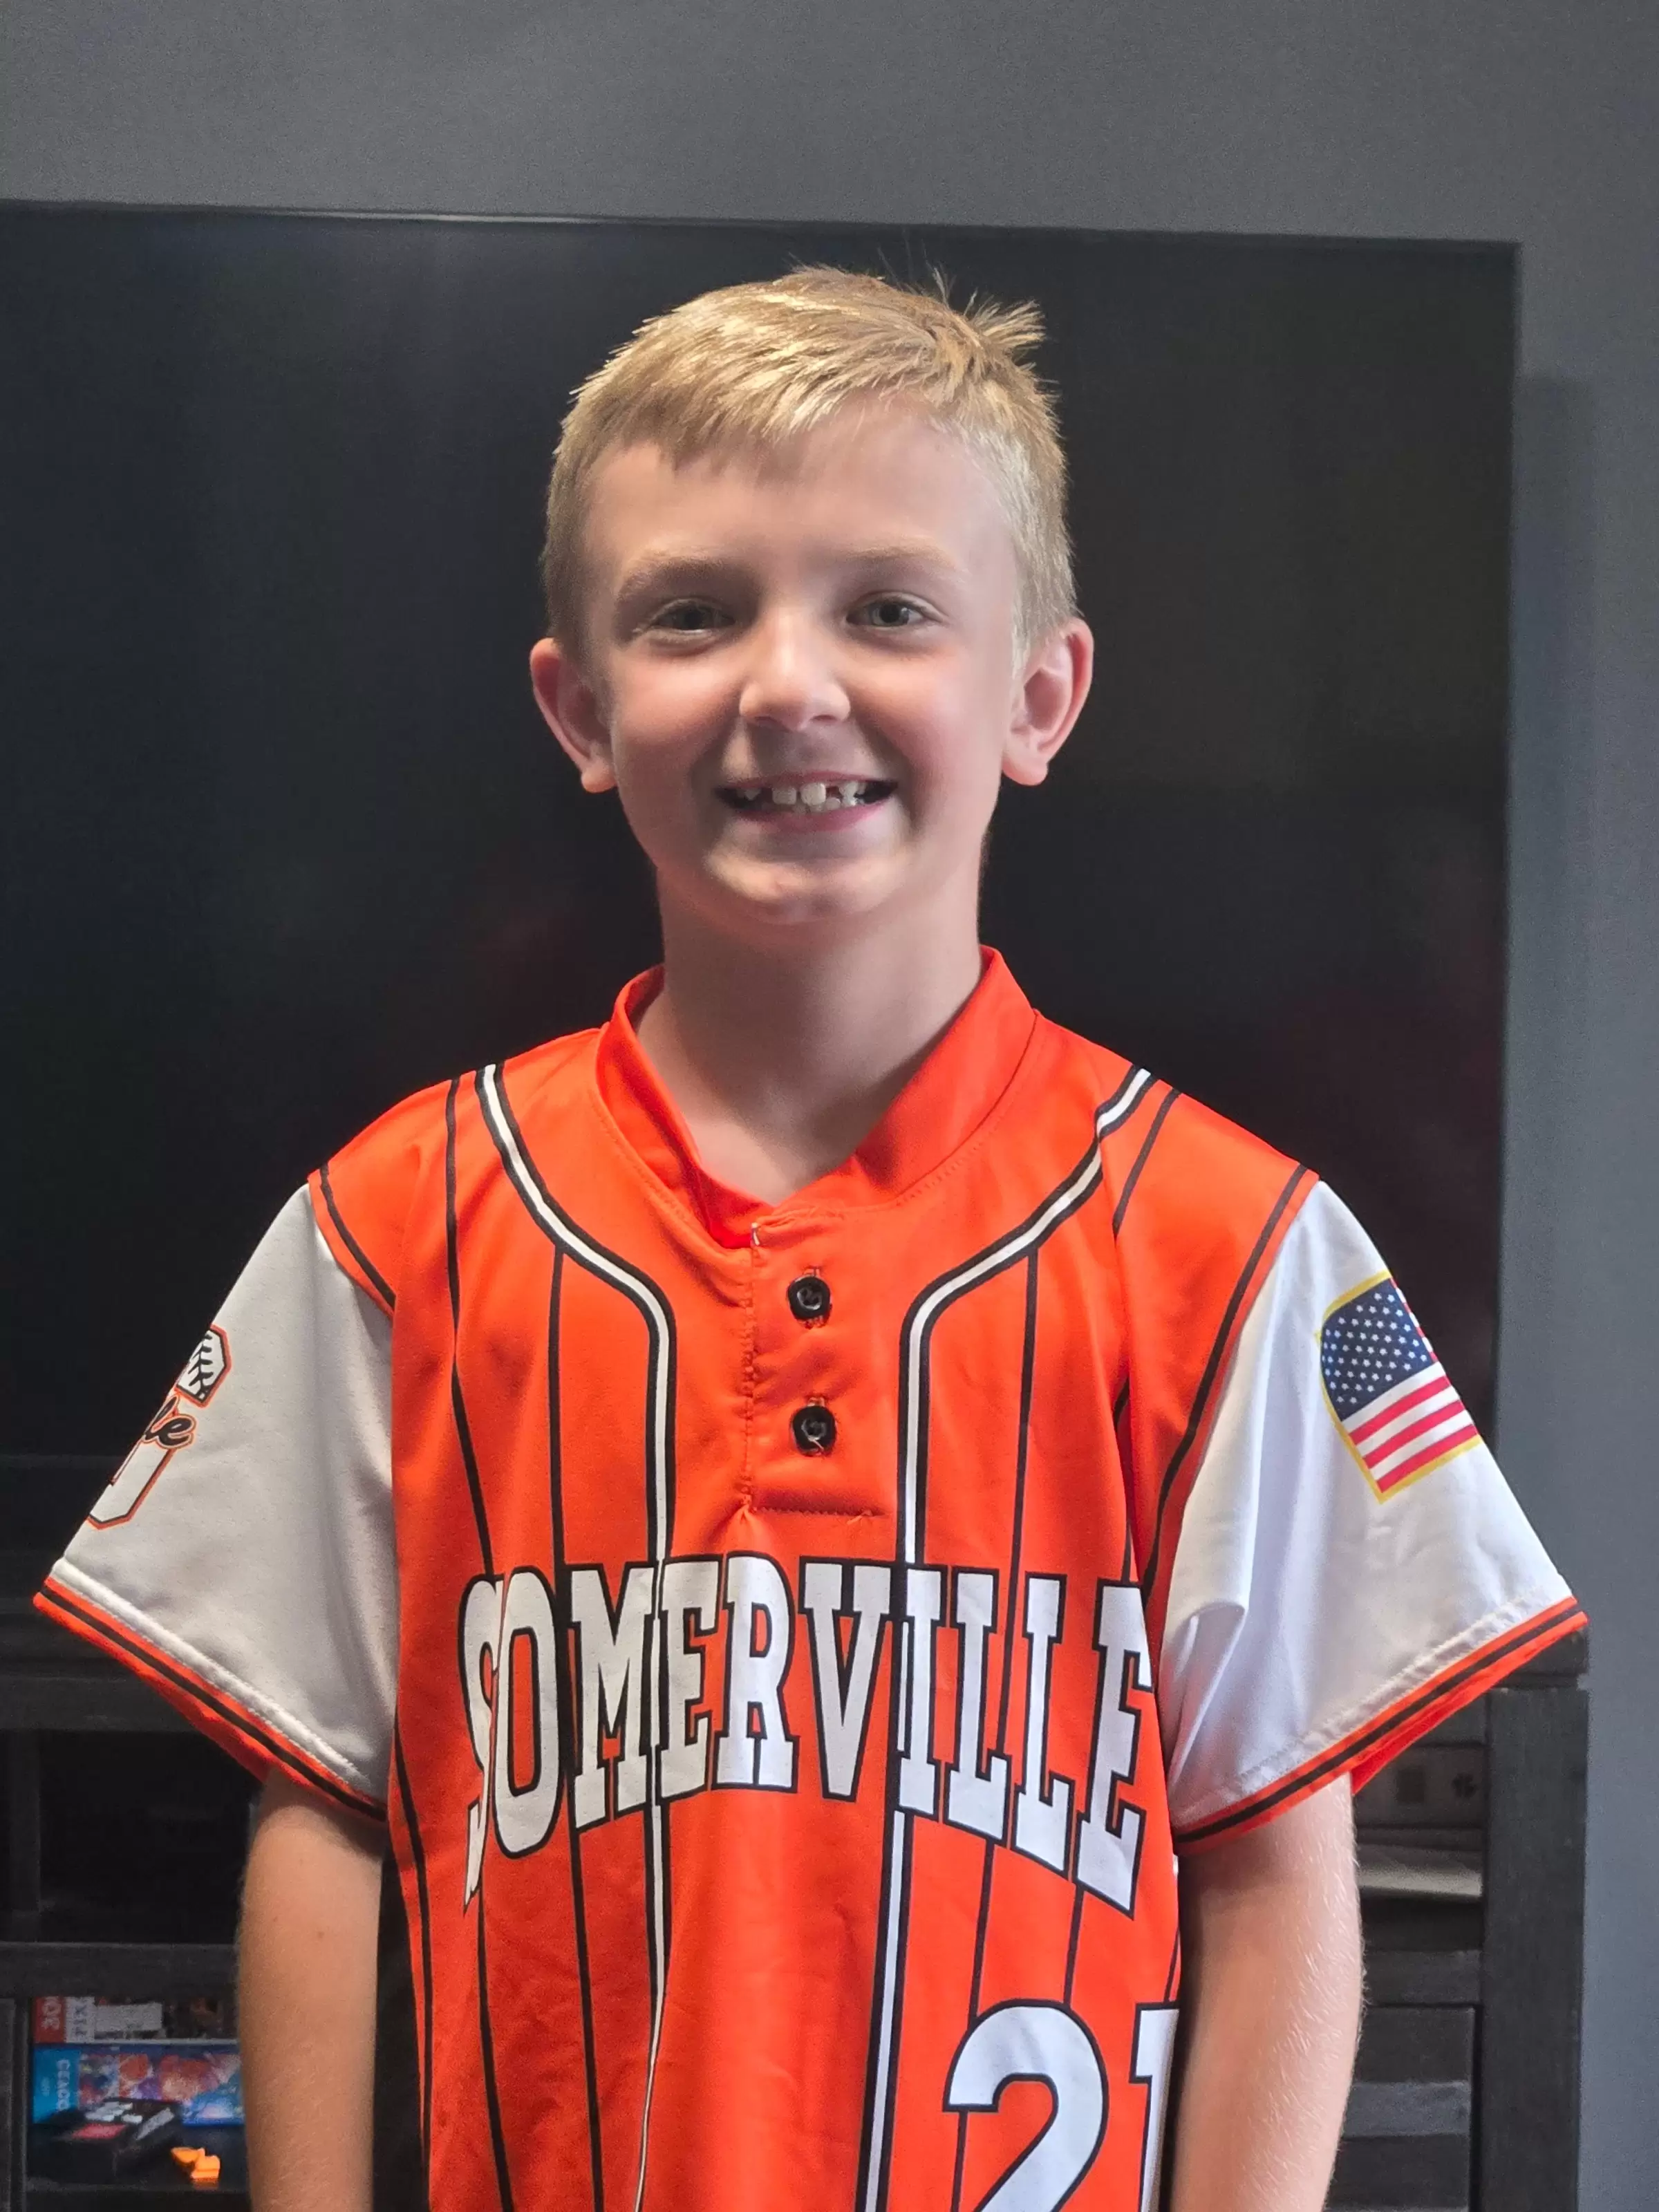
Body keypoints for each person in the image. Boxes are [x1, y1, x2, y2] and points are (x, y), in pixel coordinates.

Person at [37, 268, 1583, 2212]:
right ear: (579, 708)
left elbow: (1275, 1868)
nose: (790, 683)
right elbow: (325, 1818)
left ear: (1039, 696)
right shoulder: (393, 1221)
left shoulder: (1239, 1244)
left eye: (889, 608)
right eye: (693, 611)